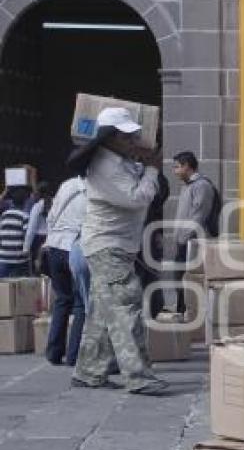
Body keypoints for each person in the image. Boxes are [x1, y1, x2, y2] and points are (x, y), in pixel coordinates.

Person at [70, 107, 168, 395]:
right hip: (107, 245)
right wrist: (152, 168)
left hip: (116, 245)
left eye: (133, 135)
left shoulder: (121, 161)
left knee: (102, 312)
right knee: (126, 303)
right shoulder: (105, 165)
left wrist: (144, 164)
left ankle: (89, 372)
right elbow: (137, 198)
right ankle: (139, 376)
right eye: (126, 136)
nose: (132, 140)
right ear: (109, 137)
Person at [43, 175, 87, 366]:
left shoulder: (66, 184)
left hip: (54, 246)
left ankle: (53, 352)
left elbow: (51, 216)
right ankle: (74, 355)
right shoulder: (96, 190)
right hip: (75, 247)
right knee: (80, 305)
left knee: (62, 300)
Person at [172, 151, 216, 314]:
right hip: (184, 242)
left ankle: (190, 312)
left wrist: (184, 239)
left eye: (177, 167)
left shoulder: (201, 186)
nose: (174, 171)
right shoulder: (188, 186)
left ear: (187, 167)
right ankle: (183, 310)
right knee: (179, 278)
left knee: (188, 279)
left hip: (193, 243)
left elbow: (198, 215)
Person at [137, 172, 170, 319]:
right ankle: (153, 309)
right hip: (143, 237)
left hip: (144, 238)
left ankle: (153, 309)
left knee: (148, 275)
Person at [0, 186, 31, 278]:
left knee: (2, 287)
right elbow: (27, 237)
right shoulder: (25, 217)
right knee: (21, 287)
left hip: (3, 257)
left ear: (12, 201)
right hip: (19, 259)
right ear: (25, 202)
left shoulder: (4, 215)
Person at [24, 182, 52, 273]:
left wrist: (26, 248)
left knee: (39, 271)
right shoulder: (56, 203)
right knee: (51, 271)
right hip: (52, 239)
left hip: (38, 241)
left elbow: (31, 229)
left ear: (39, 193)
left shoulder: (37, 207)